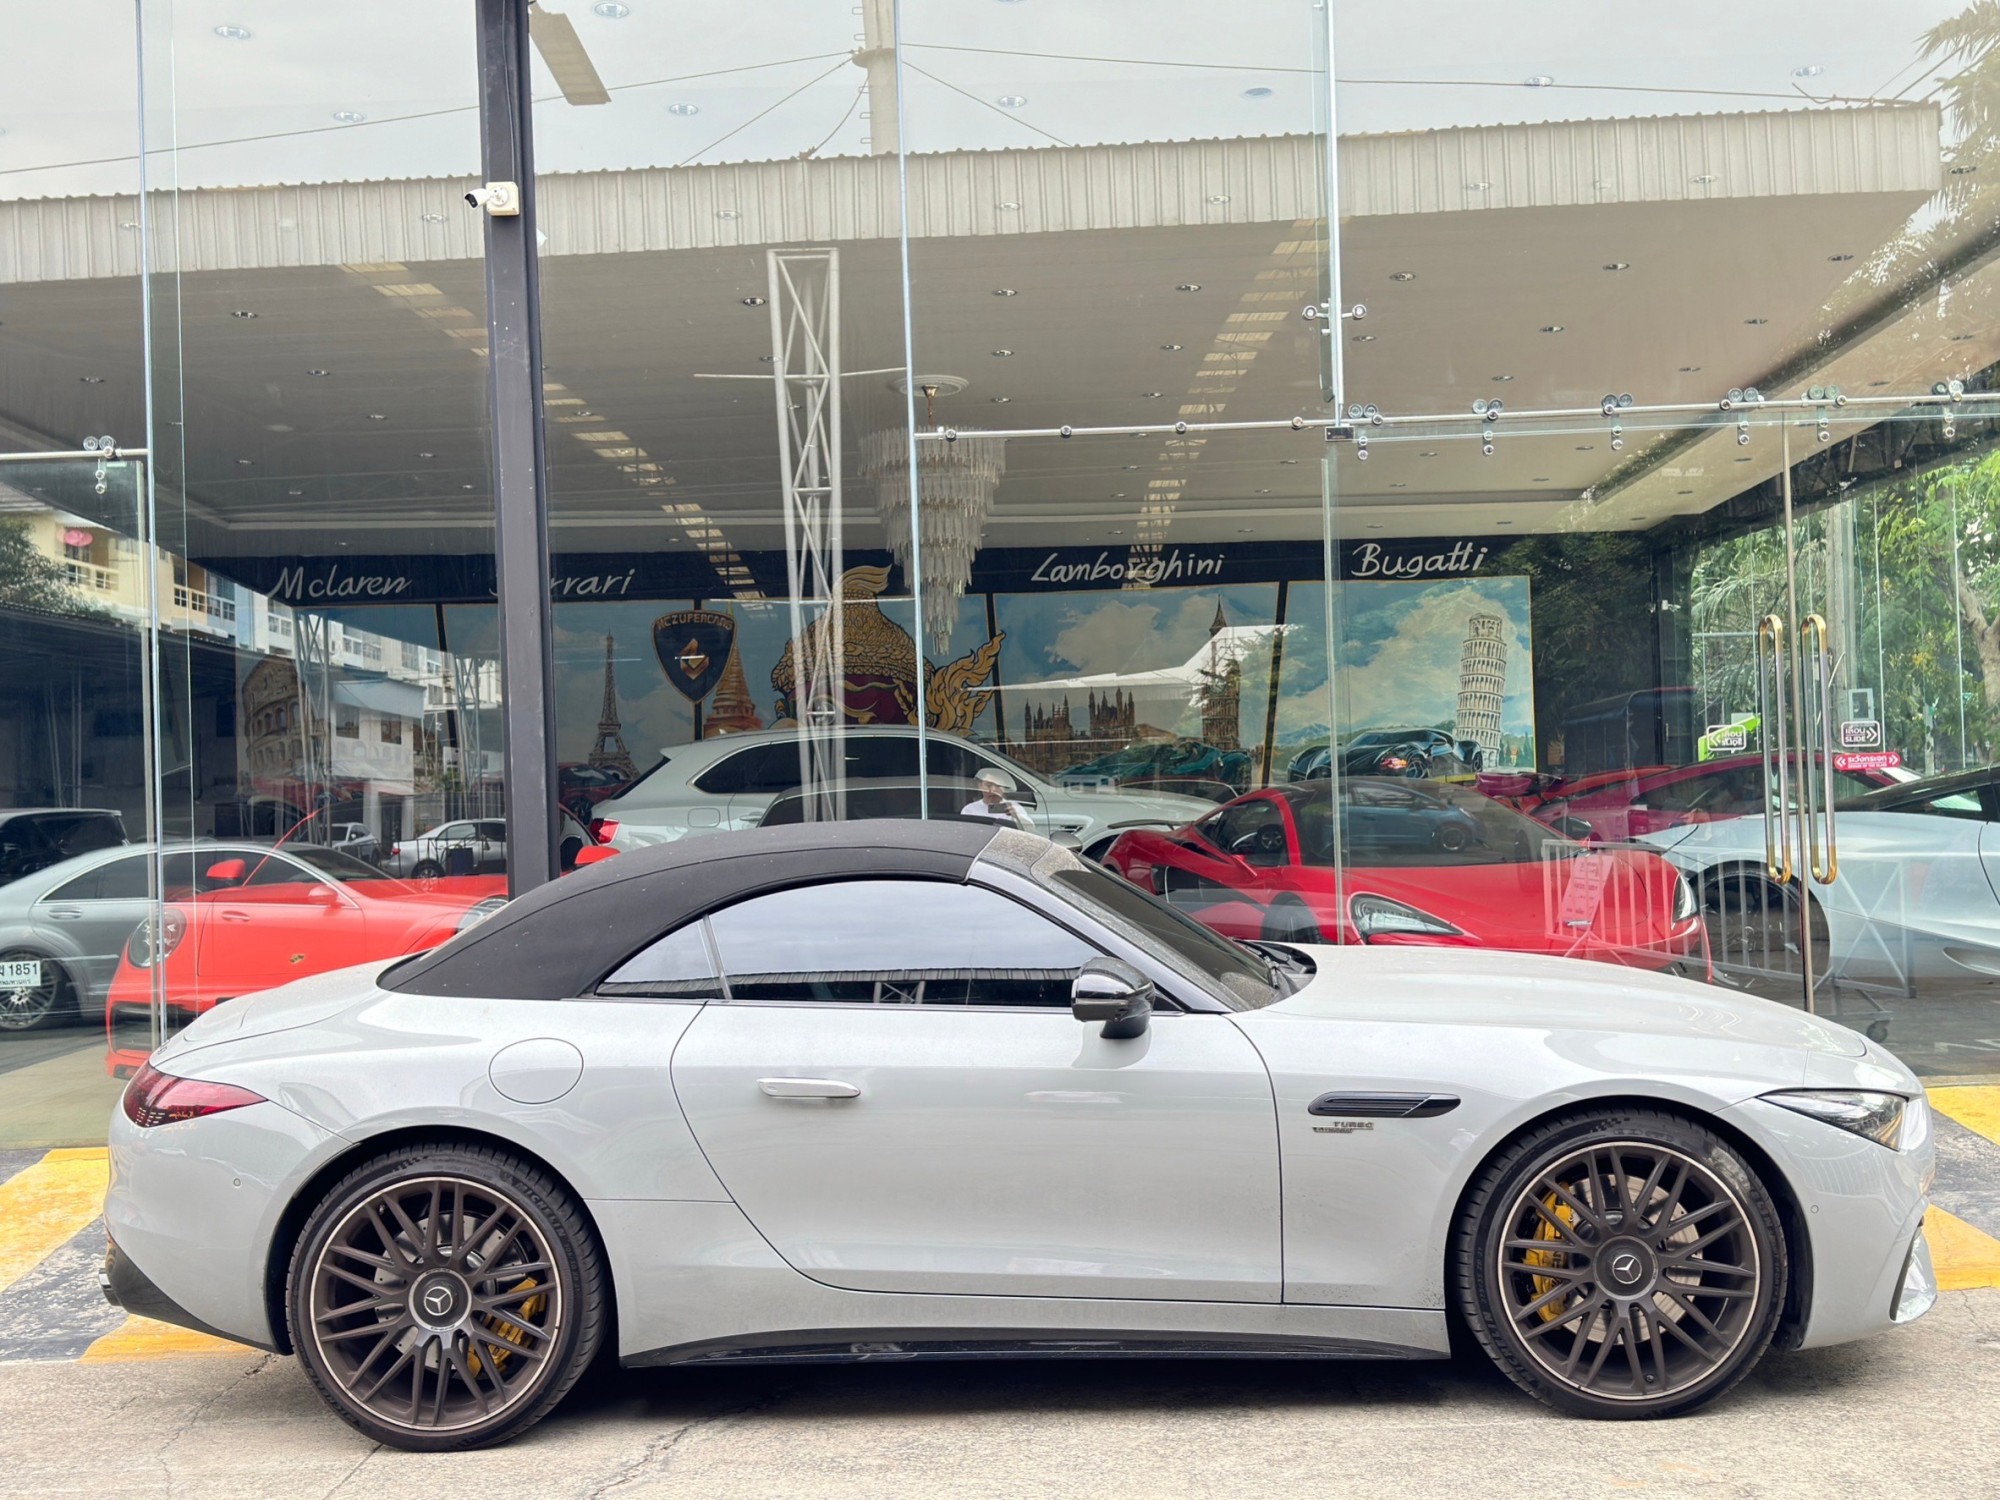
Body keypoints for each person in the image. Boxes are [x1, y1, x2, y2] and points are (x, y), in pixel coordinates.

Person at [961, 768, 1033, 830]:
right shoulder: (970, 809)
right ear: (980, 786)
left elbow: (1030, 829)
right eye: (988, 785)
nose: (993, 790)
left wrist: (1017, 816)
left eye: (998, 786)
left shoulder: (1012, 806)